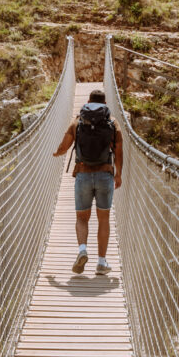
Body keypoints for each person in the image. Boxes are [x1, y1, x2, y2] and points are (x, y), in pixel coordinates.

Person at [53, 88, 123, 275]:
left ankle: (82, 250)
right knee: (103, 219)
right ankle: (101, 263)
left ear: (88, 101)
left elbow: (64, 146)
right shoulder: (112, 122)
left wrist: (56, 153)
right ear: (105, 104)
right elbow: (118, 151)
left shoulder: (77, 121)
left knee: (82, 218)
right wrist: (119, 174)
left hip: (83, 174)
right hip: (105, 175)